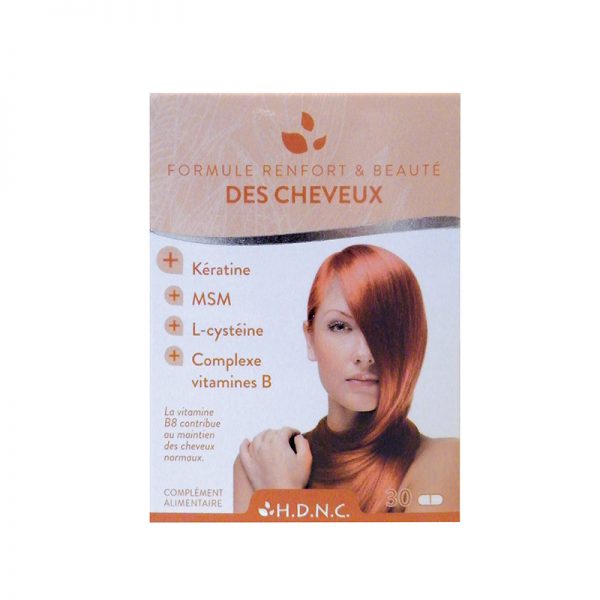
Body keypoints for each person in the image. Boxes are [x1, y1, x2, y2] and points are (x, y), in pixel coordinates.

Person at [233, 244, 459, 514]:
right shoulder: (261, 461)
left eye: (383, 329)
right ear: (310, 339)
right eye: (340, 326)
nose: (365, 355)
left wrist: (282, 495)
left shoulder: (444, 461)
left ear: (412, 340)